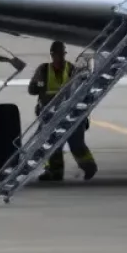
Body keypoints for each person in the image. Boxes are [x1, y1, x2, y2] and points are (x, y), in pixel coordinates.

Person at [28, 40, 97, 182]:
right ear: (52, 55)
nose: (60, 57)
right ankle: (55, 172)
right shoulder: (43, 70)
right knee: (52, 145)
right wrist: (38, 83)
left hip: (70, 114)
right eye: (57, 54)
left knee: (76, 144)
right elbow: (32, 90)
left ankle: (89, 167)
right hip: (50, 115)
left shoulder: (71, 69)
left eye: (62, 54)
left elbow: (82, 90)